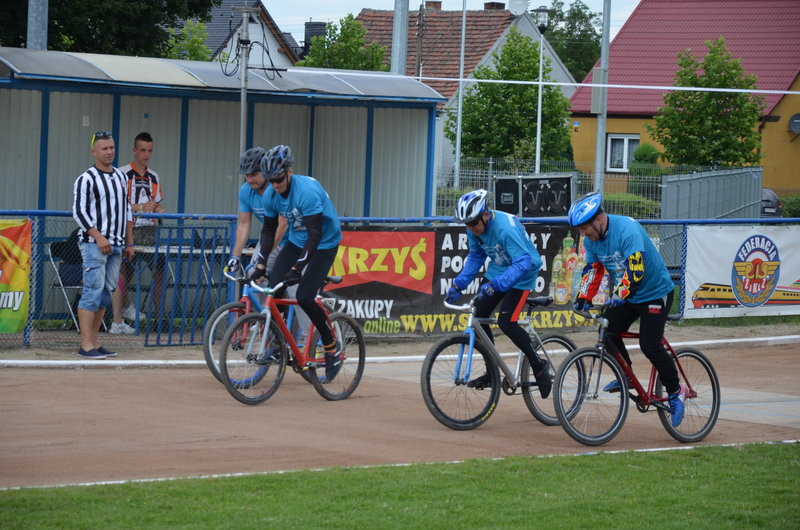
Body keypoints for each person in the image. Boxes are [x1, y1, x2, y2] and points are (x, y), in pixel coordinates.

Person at [568, 192, 685, 427]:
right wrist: (583, 296)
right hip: (628, 294)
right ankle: (627, 376)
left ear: (599, 219)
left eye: (584, 228)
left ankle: (675, 392)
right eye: (580, 230)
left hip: (654, 291)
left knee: (649, 344)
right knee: (608, 332)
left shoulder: (627, 229)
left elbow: (635, 271)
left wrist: (619, 295)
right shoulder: (591, 240)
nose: (583, 234)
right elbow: (593, 269)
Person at [445, 189, 552, 398]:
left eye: (474, 224)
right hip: (499, 270)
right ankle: (491, 371)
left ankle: (538, 364)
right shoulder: (473, 228)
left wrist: (498, 284)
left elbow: (523, 262)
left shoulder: (505, 228)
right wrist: (459, 284)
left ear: (486, 215)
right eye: (468, 225)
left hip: (523, 273)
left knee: (506, 322)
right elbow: (476, 258)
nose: (472, 229)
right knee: (478, 315)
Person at [252, 145, 342, 381]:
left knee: (303, 296)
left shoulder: (307, 191)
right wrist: (261, 262)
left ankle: (332, 346)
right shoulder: (272, 194)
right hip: (296, 241)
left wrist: (297, 269)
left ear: (289, 172)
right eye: (271, 181)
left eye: (279, 179)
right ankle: (277, 344)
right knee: (275, 284)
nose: (276, 185)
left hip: (324, 242)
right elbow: (268, 229)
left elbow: (315, 234)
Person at [225, 147, 309, 341]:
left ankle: (307, 340)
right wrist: (235, 257)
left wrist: (262, 257)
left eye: (254, 174)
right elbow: (244, 225)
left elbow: (282, 225)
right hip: (273, 242)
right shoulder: (246, 191)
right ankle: (272, 329)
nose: (249, 179)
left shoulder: (277, 188)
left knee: (296, 291)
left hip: (295, 243)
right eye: (246, 175)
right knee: (253, 276)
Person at [72, 130, 135, 359]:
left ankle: (95, 343)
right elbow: (78, 212)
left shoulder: (120, 176)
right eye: (104, 148)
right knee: (92, 292)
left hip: (117, 246)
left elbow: (127, 210)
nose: (109, 152)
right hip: (93, 245)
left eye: (112, 147)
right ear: (94, 152)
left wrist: (130, 242)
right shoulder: (86, 178)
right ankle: (85, 345)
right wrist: (98, 236)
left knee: (106, 294)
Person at [110, 132, 166, 334]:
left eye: (149, 150)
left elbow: (157, 203)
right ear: (134, 150)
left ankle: (159, 322)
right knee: (123, 273)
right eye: (142, 150)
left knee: (160, 273)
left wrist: (159, 210)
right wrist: (140, 207)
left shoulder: (154, 176)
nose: (146, 154)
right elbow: (117, 204)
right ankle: (117, 321)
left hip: (151, 230)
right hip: (130, 229)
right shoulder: (122, 173)